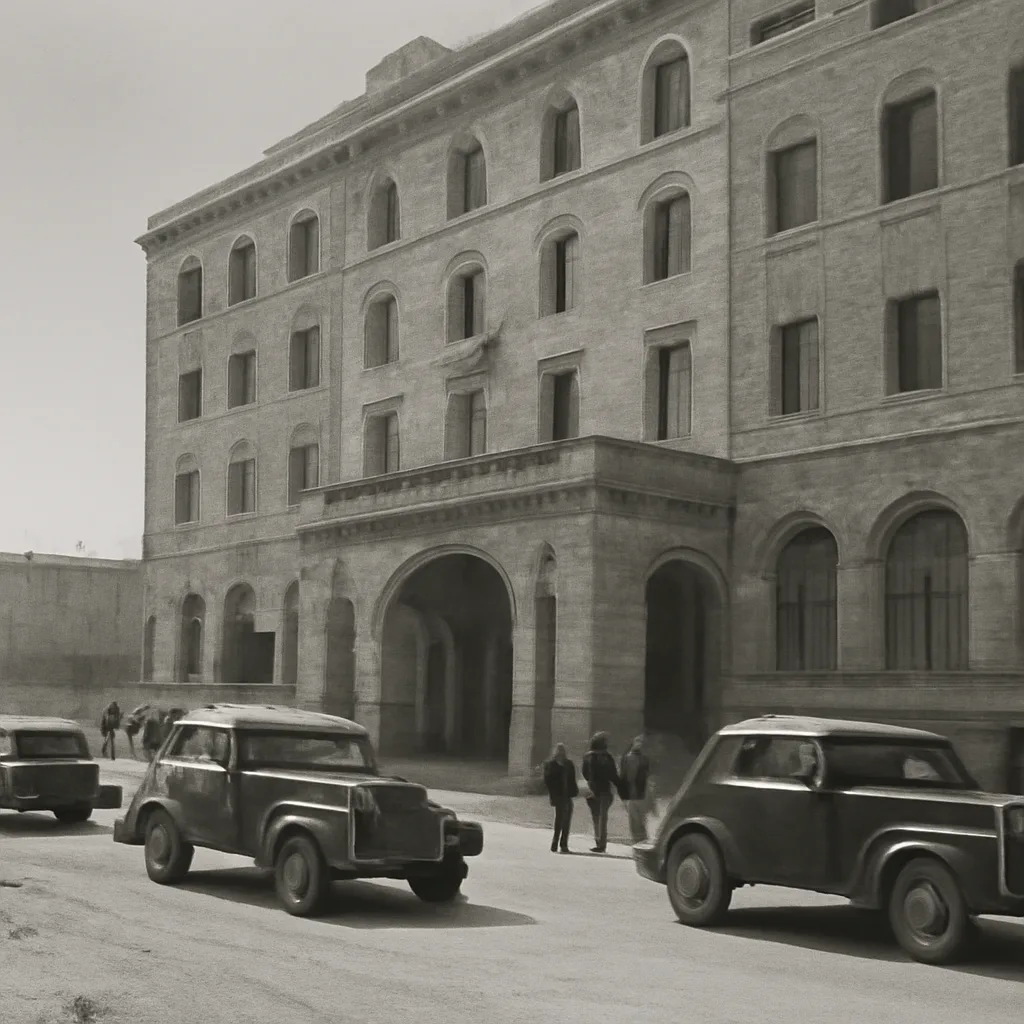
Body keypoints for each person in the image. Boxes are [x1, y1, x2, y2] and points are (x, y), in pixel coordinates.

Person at [581, 731, 620, 854]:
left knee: (596, 817)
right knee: (602, 818)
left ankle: (598, 841)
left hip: (593, 789)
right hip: (605, 790)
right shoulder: (607, 757)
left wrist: (590, 783)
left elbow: (585, 773)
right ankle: (601, 843)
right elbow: (613, 774)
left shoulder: (588, 756)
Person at [542, 743, 579, 854]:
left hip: (567, 796)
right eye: (559, 751)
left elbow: (572, 780)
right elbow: (548, 781)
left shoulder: (568, 764)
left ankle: (564, 844)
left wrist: (574, 791)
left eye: (562, 751)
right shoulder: (551, 765)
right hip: (558, 796)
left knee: (567, 821)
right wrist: (553, 795)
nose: (561, 753)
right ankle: (555, 843)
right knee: (559, 820)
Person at [618, 734, 653, 844]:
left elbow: (648, 776)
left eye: (641, 743)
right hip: (633, 793)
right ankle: (638, 842)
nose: (639, 745)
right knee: (635, 820)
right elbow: (624, 776)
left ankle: (641, 842)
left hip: (640, 792)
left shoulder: (644, 759)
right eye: (637, 742)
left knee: (640, 820)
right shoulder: (628, 758)